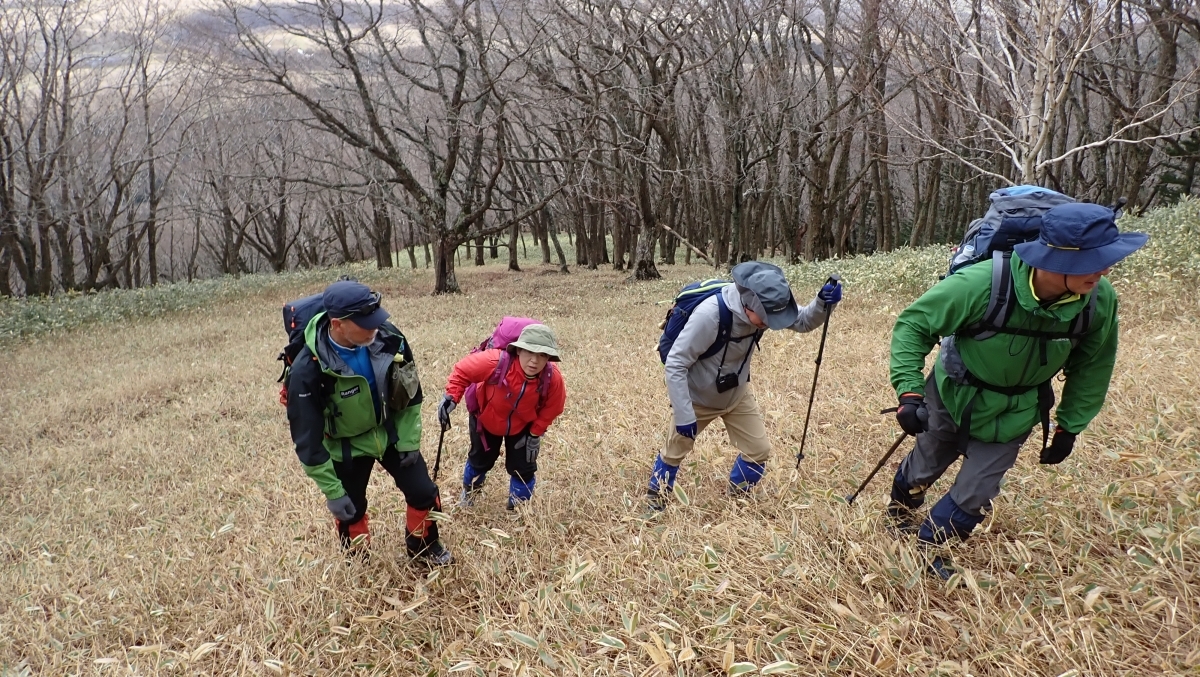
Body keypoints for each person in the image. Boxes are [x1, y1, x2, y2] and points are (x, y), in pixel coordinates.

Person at [886, 202, 1147, 578]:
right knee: (925, 466)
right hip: (952, 394)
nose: (1105, 269)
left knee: (977, 490)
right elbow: (914, 325)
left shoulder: (1099, 300)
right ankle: (899, 511)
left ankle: (930, 551)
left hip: (1017, 409)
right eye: (1096, 260)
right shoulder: (981, 283)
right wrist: (910, 394)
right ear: (1056, 260)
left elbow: (1093, 364)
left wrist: (1070, 425)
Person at [647, 261, 843, 510]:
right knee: (674, 450)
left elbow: (802, 321)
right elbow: (676, 362)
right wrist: (684, 414)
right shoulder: (710, 315)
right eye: (765, 320)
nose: (770, 324)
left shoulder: (765, 311)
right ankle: (656, 500)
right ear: (747, 303)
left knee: (758, 450)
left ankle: (737, 498)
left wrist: (823, 303)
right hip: (698, 397)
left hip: (736, 394)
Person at [286, 280, 452, 565]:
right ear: (338, 324)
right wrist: (333, 492)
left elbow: (410, 394)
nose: (375, 327)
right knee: (350, 509)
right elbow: (308, 442)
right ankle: (358, 558)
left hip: (390, 434)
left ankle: (423, 547)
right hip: (345, 446)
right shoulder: (308, 369)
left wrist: (409, 441)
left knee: (423, 492)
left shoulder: (389, 337)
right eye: (365, 323)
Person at [438, 324, 567, 510]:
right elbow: (463, 370)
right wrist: (451, 396)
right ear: (519, 349)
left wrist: (535, 433)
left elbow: (554, 407)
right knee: (480, 460)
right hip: (486, 420)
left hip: (523, 425)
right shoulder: (496, 361)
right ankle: (470, 492)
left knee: (523, 468)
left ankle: (519, 508)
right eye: (529, 352)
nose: (534, 361)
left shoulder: (551, 377)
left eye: (542, 355)